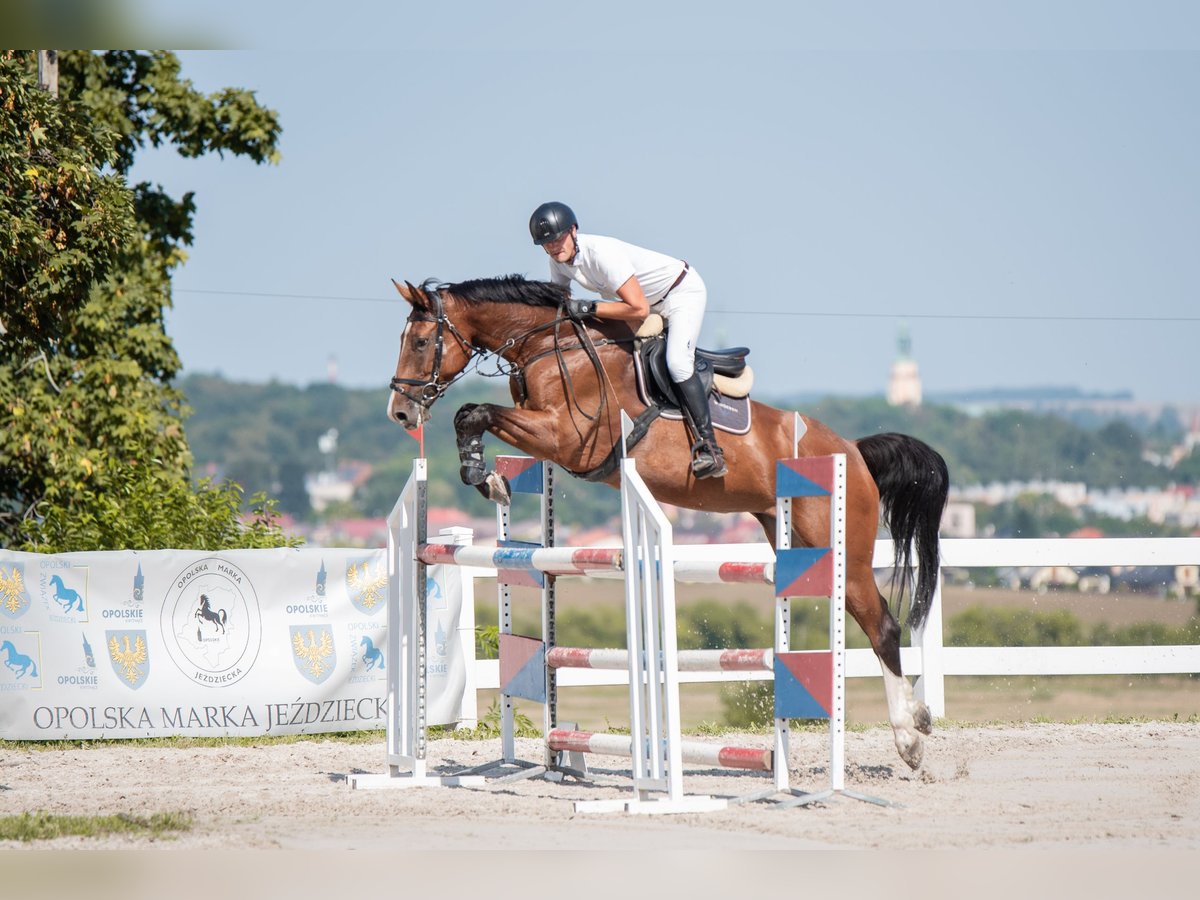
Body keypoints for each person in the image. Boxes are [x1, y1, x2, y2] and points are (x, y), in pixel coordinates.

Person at [528, 201, 726, 479]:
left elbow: (638, 309)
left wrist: (590, 308)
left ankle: (711, 449)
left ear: (573, 230)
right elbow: (560, 304)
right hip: (641, 303)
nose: (554, 247)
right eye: (546, 243)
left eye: (558, 238)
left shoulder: (601, 254)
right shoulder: (558, 262)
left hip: (679, 293)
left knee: (678, 362)